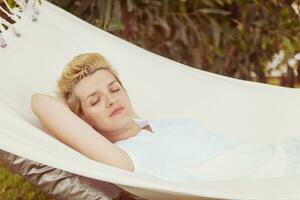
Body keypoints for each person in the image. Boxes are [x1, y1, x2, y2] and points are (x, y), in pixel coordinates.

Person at [31, 53, 300, 183]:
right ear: (84, 119)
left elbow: (122, 108)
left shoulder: (148, 124)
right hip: (276, 182)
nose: (111, 99)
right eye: (95, 100)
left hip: (284, 154)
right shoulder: (124, 158)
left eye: (114, 89)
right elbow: (40, 103)